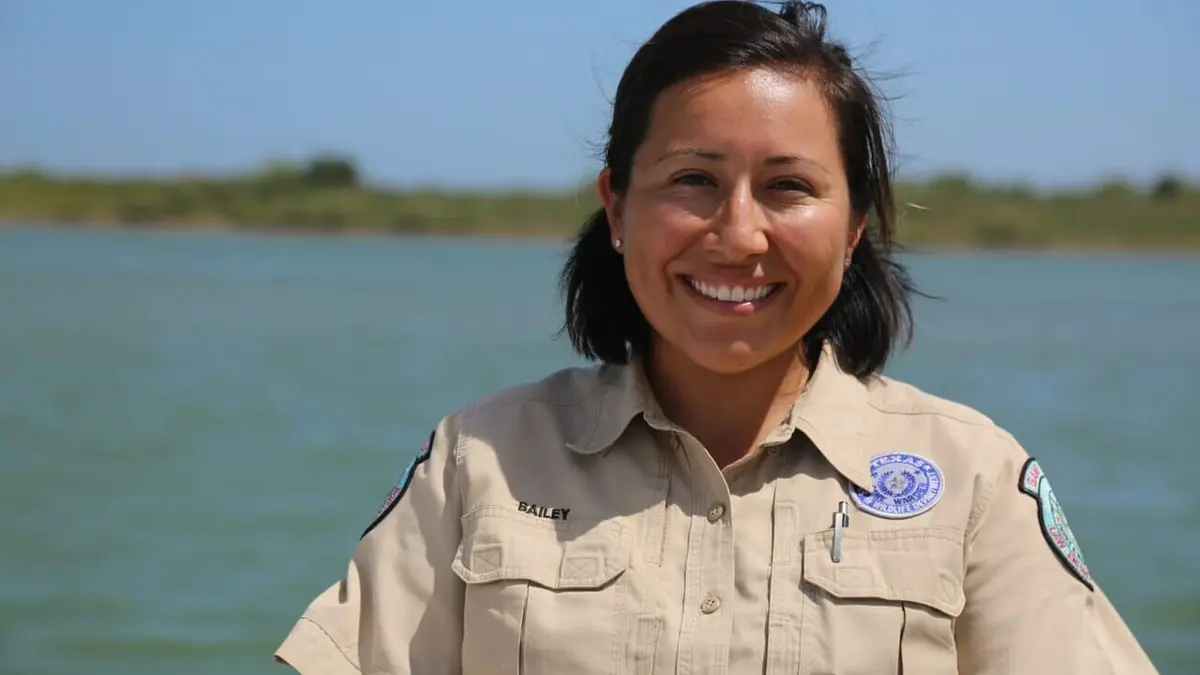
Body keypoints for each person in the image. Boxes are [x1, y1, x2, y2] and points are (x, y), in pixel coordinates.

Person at [273, 1, 1159, 673]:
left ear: (853, 229)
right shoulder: (480, 459)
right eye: (693, 179)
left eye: (788, 186)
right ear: (617, 206)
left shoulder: (973, 478)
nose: (738, 234)